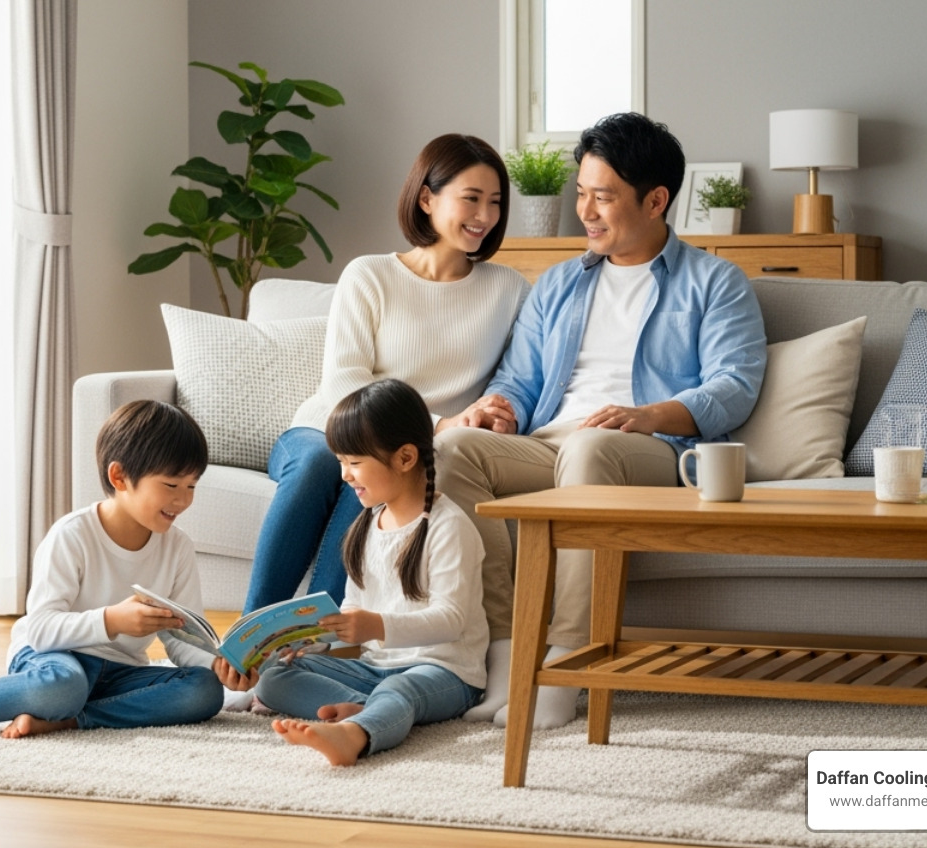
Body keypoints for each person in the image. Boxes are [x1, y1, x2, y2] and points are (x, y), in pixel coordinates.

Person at [435, 112, 767, 729]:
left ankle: (565, 665)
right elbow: (518, 378)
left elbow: (734, 386)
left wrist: (647, 415)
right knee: (454, 450)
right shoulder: (558, 283)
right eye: (581, 193)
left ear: (655, 200)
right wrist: (497, 409)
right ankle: (503, 655)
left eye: (604, 197)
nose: (585, 212)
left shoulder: (716, 282)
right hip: (550, 447)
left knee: (590, 447)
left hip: (650, 449)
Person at [0, 400, 253, 741]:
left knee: (203, 692)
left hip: (121, 672)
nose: (183, 500)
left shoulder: (177, 547)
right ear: (119, 476)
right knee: (62, 687)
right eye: (171, 486)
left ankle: (71, 720)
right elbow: (40, 629)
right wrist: (112, 620)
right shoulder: (73, 535)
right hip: (52, 660)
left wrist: (216, 666)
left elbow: (182, 641)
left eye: (192, 486)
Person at [240, 134, 528, 617]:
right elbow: (342, 381)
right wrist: (437, 424)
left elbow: (518, 378)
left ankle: (321, 638)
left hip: (404, 453)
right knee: (320, 463)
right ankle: (246, 637)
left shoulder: (510, 290)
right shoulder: (369, 275)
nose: (486, 215)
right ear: (427, 198)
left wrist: (494, 413)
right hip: (322, 429)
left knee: (377, 470)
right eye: (472, 198)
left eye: (496, 202)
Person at [252, 379, 489, 765]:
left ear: (405, 458)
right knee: (275, 677)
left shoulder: (449, 526)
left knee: (401, 690)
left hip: (442, 672)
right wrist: (315, 643)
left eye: (355, 462)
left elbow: (452, 620)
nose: (345, 475)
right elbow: (353, 609)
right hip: (373, 668)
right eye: (341, 462)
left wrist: (375, 626)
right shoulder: (366, 526)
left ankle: (355, 734)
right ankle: (371, 710)